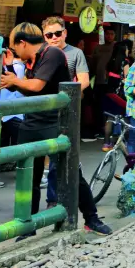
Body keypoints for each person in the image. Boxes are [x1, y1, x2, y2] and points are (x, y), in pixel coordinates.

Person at [1, 23, 111, 237]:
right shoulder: (32, 60)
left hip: (56, 122)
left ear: (23, 43)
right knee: (28, 176)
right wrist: (13, 78)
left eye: (15, 49)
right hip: (32, 121)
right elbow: (29, 90)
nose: (16, 54)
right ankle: (26, 226)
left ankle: (91, 218)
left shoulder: (52, 53)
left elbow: (37, 86)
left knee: (71, 173)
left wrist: (16, 80)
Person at [42, 16, 92, 209]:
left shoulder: (75, 53)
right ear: (44, 36)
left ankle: (54, 200)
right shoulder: (42, 53)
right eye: (49, 34)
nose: (54, 37)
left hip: (66, 110)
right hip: (44, 111)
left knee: (62, 157)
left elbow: (84, 81)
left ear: (65, 33)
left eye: (57, 33)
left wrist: (67, 96)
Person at [90, 26, 116, 142]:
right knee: (98, 107)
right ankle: (99, 129)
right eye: (107, 34)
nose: (109, 36)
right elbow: (92, 65)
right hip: (98, 82)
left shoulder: (116, 47)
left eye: (111, 34)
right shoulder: (98, 48)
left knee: (109, 108)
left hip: (111, 83)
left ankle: (109, 131)